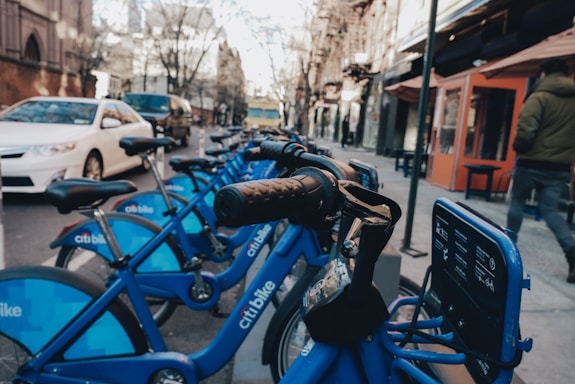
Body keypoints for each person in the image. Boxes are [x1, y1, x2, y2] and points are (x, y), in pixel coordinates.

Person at [506, 57, 575, 283]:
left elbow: (526, 128)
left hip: (531, 162)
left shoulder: (539, 96)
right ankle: (572, 253)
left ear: (544, 73)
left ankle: (506, 253)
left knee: (517, 202)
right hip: (559, 166)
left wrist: (519, 147)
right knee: (550, 211)